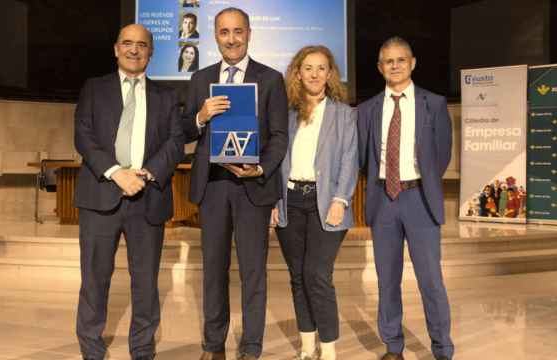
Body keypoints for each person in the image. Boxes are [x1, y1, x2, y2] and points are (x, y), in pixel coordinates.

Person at [182, 7, 288, 360]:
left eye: (237, 31)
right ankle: (214, 347)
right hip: (212, 187)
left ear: (249, 33)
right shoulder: (201, 80)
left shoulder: (271, 79)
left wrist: (261, 170)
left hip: (251, 188)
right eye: (224, 32)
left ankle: (251, 348)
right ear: (215, 36)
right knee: (213, 271)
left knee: (253, 272)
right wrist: (200, 116)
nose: (231, 38)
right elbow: (183, 130)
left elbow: (279, 136)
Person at [74, 24, 185, 360]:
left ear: (151, 52)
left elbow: (175, 142)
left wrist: (146, 174)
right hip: (100, 197)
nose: (134, 50)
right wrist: (116, 173)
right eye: (127, 43)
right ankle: (92, 349)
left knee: (146, 283)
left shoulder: (167, 97)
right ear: (115, 48)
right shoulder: (94, 88)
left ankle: (142, 349)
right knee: (94, 279)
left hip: (147, 198)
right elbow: (83, 136)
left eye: (142, 45)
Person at [357, 36, 454, 360]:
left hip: (419, 200)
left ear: (412, 63)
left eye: (401, 60)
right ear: (380, 67)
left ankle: (442, 349)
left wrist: (420, 183)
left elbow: (440, 155)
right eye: (388, 61)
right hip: (383, 200)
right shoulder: (367, 109)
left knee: (431, 281)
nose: (395, 65)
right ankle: (393, 347)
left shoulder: (434, 103)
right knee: (387, 281)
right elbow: (362, 158)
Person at [270, 45, 358, 360]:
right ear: (298, 72)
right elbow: (275, 159)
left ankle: (329, 350)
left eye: (322, 68)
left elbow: (350, 159)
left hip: (326, 203)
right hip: (289, 201)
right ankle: (307, 348)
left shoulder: (345, 114)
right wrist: (273, 199)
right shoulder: (286, 113)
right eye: (308, 67)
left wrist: (340, 199)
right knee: (297, 275)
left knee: (317, 274)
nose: (315, 74)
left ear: (330, 74)